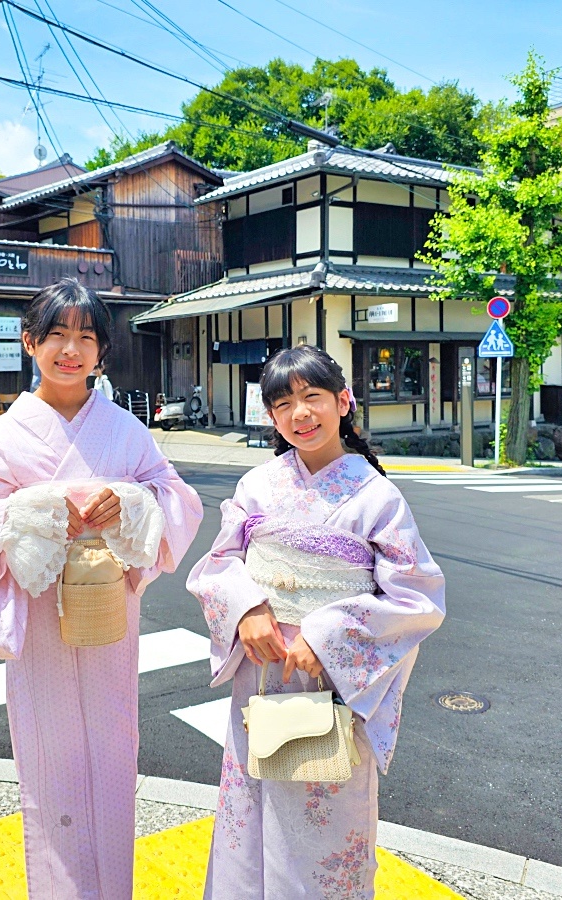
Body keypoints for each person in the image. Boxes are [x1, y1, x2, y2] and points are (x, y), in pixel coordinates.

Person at [0, 277, 203, 899]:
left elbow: (177, 500)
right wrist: (31, 511)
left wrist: (132, 502)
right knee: (49, 762)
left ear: (101, 352)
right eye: (56, 335)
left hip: (107, 612)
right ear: (30, 343)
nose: (70, 350)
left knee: (110, 751)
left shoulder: (126, 431)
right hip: (41, 613)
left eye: (85, 337)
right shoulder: (5, 435)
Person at [186, 344, 445, 899]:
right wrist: (248, 608)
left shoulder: (378, 495)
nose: (299, 413)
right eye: (283, 404)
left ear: (343, 402)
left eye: (312, 397)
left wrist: (328, 634)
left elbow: (418, 595)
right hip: (259, 669)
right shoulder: (256, 486)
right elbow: (219, 564)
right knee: (250, 802)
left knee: (323, 808)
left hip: (331, 681)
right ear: (271, 417)